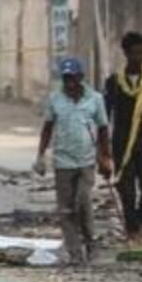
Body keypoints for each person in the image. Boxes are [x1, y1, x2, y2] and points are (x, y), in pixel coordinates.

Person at [35, 57, 112, 267]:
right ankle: (75, 253)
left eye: (73, 79)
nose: (69, 84)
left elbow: (103, 129)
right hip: (63, 161)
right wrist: (40, 155)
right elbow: (48, 128)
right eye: (66, 78)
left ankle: (91, 244)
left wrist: (105, 157)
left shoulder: (95, 99)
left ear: (81, 78)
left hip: (86, 160)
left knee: (83, 202)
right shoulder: (55, 99)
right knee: (66, 210)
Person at [103, 32, 142, 247]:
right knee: (126, 190)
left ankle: (139, 220)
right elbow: (106, 113)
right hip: (122, 141)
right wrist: (104, 148)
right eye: (135, 53)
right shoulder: (114, 81)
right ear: (125, 53)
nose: (139, 57)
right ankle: (133, 233)